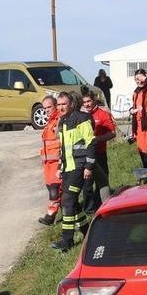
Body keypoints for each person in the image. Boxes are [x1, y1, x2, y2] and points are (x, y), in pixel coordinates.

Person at [51, 92, 96, 252]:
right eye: (59, 104)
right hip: (68, 169)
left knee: (67, 201)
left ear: (71, 104)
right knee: (74, 203)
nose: (61, 107)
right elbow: (64, 148)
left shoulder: (81, 118)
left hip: (79, 168)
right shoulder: (63, 120)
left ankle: (67, 240)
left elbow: (91, 143)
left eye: (64, 104)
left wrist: (89, 167)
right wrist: (60, 167)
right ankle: (88, 232)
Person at [80, 92, 115, 213]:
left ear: (94, 100)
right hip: (86, 154)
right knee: (87, 182)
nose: (87, 104)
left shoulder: (103, 114)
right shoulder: (81, 116)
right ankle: (89, 209)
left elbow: (112, 133)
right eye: (84, 102)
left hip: (99, 153)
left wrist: (98, 139)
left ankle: (102, 206)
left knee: (102, 180)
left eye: (88, 101)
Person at [38, 95, 62, 226]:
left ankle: (50, 216)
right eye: (45, 108)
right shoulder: (50, 121)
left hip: (56, 161)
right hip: (48, 163)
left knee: (55, 190)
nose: (47, 110)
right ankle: (67, 214)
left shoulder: (59, 120)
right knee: (51, 188)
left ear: (55, 105)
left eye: (49, 107)